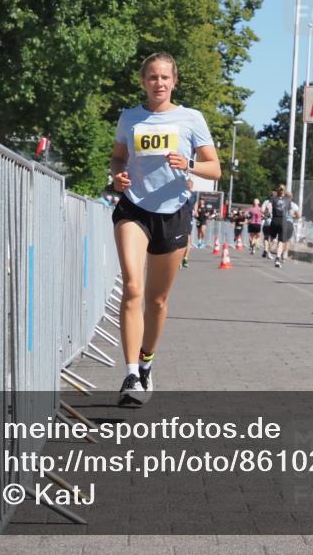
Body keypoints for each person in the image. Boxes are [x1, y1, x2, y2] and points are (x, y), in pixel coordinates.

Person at [110, 52, 221, 405]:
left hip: (172, 213)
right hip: (134, 208)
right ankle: (130, 374)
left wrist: (188, 164)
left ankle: (146, 363)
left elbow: (214, 168)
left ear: (174, 82)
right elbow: (118, 156)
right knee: (132, 286)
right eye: (152, 77)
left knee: (156, 301)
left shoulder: (191, 118)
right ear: (144, 81)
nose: (158, 83)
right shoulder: (130, 117)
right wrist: (118, 175)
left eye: (164, 77)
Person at [268, 184, 299, 267]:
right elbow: (290, 212)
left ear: (277, 190)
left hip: (275, 219)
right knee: (281, 241)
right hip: (283, 221)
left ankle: (270, 247)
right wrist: (294, 216)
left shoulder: (273, 198)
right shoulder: (288, 200)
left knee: (272, 237)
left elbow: (268, 207)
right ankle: (278, 258)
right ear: (284, 191)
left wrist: (267, 214)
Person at [260, 192, 275, 258]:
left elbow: (262, 210)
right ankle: (269, 252)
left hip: (267, 221)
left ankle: (265, 249)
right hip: (274, 222)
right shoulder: (277, 202)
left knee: (266, 237)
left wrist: (265, 215)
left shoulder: (266, 202)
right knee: (272, 238)